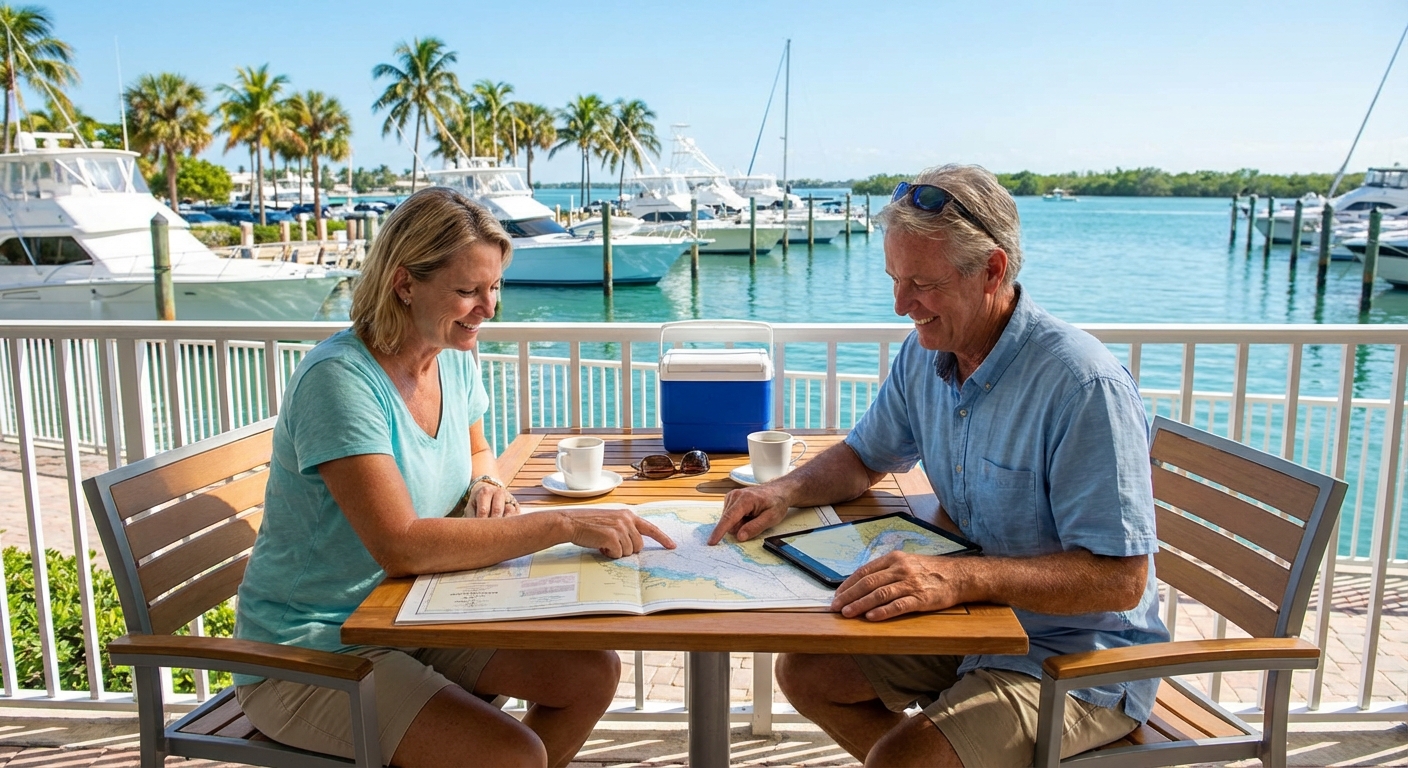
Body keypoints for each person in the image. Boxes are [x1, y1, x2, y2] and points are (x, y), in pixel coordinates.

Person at [708, 164, 1168, 767]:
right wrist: (785, 490)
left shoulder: (1082, 385)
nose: (902, 305)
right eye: (895, 280)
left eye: (920, 282)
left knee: (901, 762)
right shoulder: (927, 353)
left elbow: (1120, 579)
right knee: (809, 673)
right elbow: (863, 457)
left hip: (1078, 658)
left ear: (992, 270)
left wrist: (959, 578)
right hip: (975, 623)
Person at [234, 186, 675, 768]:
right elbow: (401, 545)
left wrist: (487, 484)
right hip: (317, 649)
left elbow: (479, 447)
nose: (489, 308)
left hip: (414, 614)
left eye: (494, 287)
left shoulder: (451, 358)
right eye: (468, 291)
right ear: (404, 283)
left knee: (591, 674)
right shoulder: (340, 381)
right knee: (512, 755)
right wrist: (562, 523)